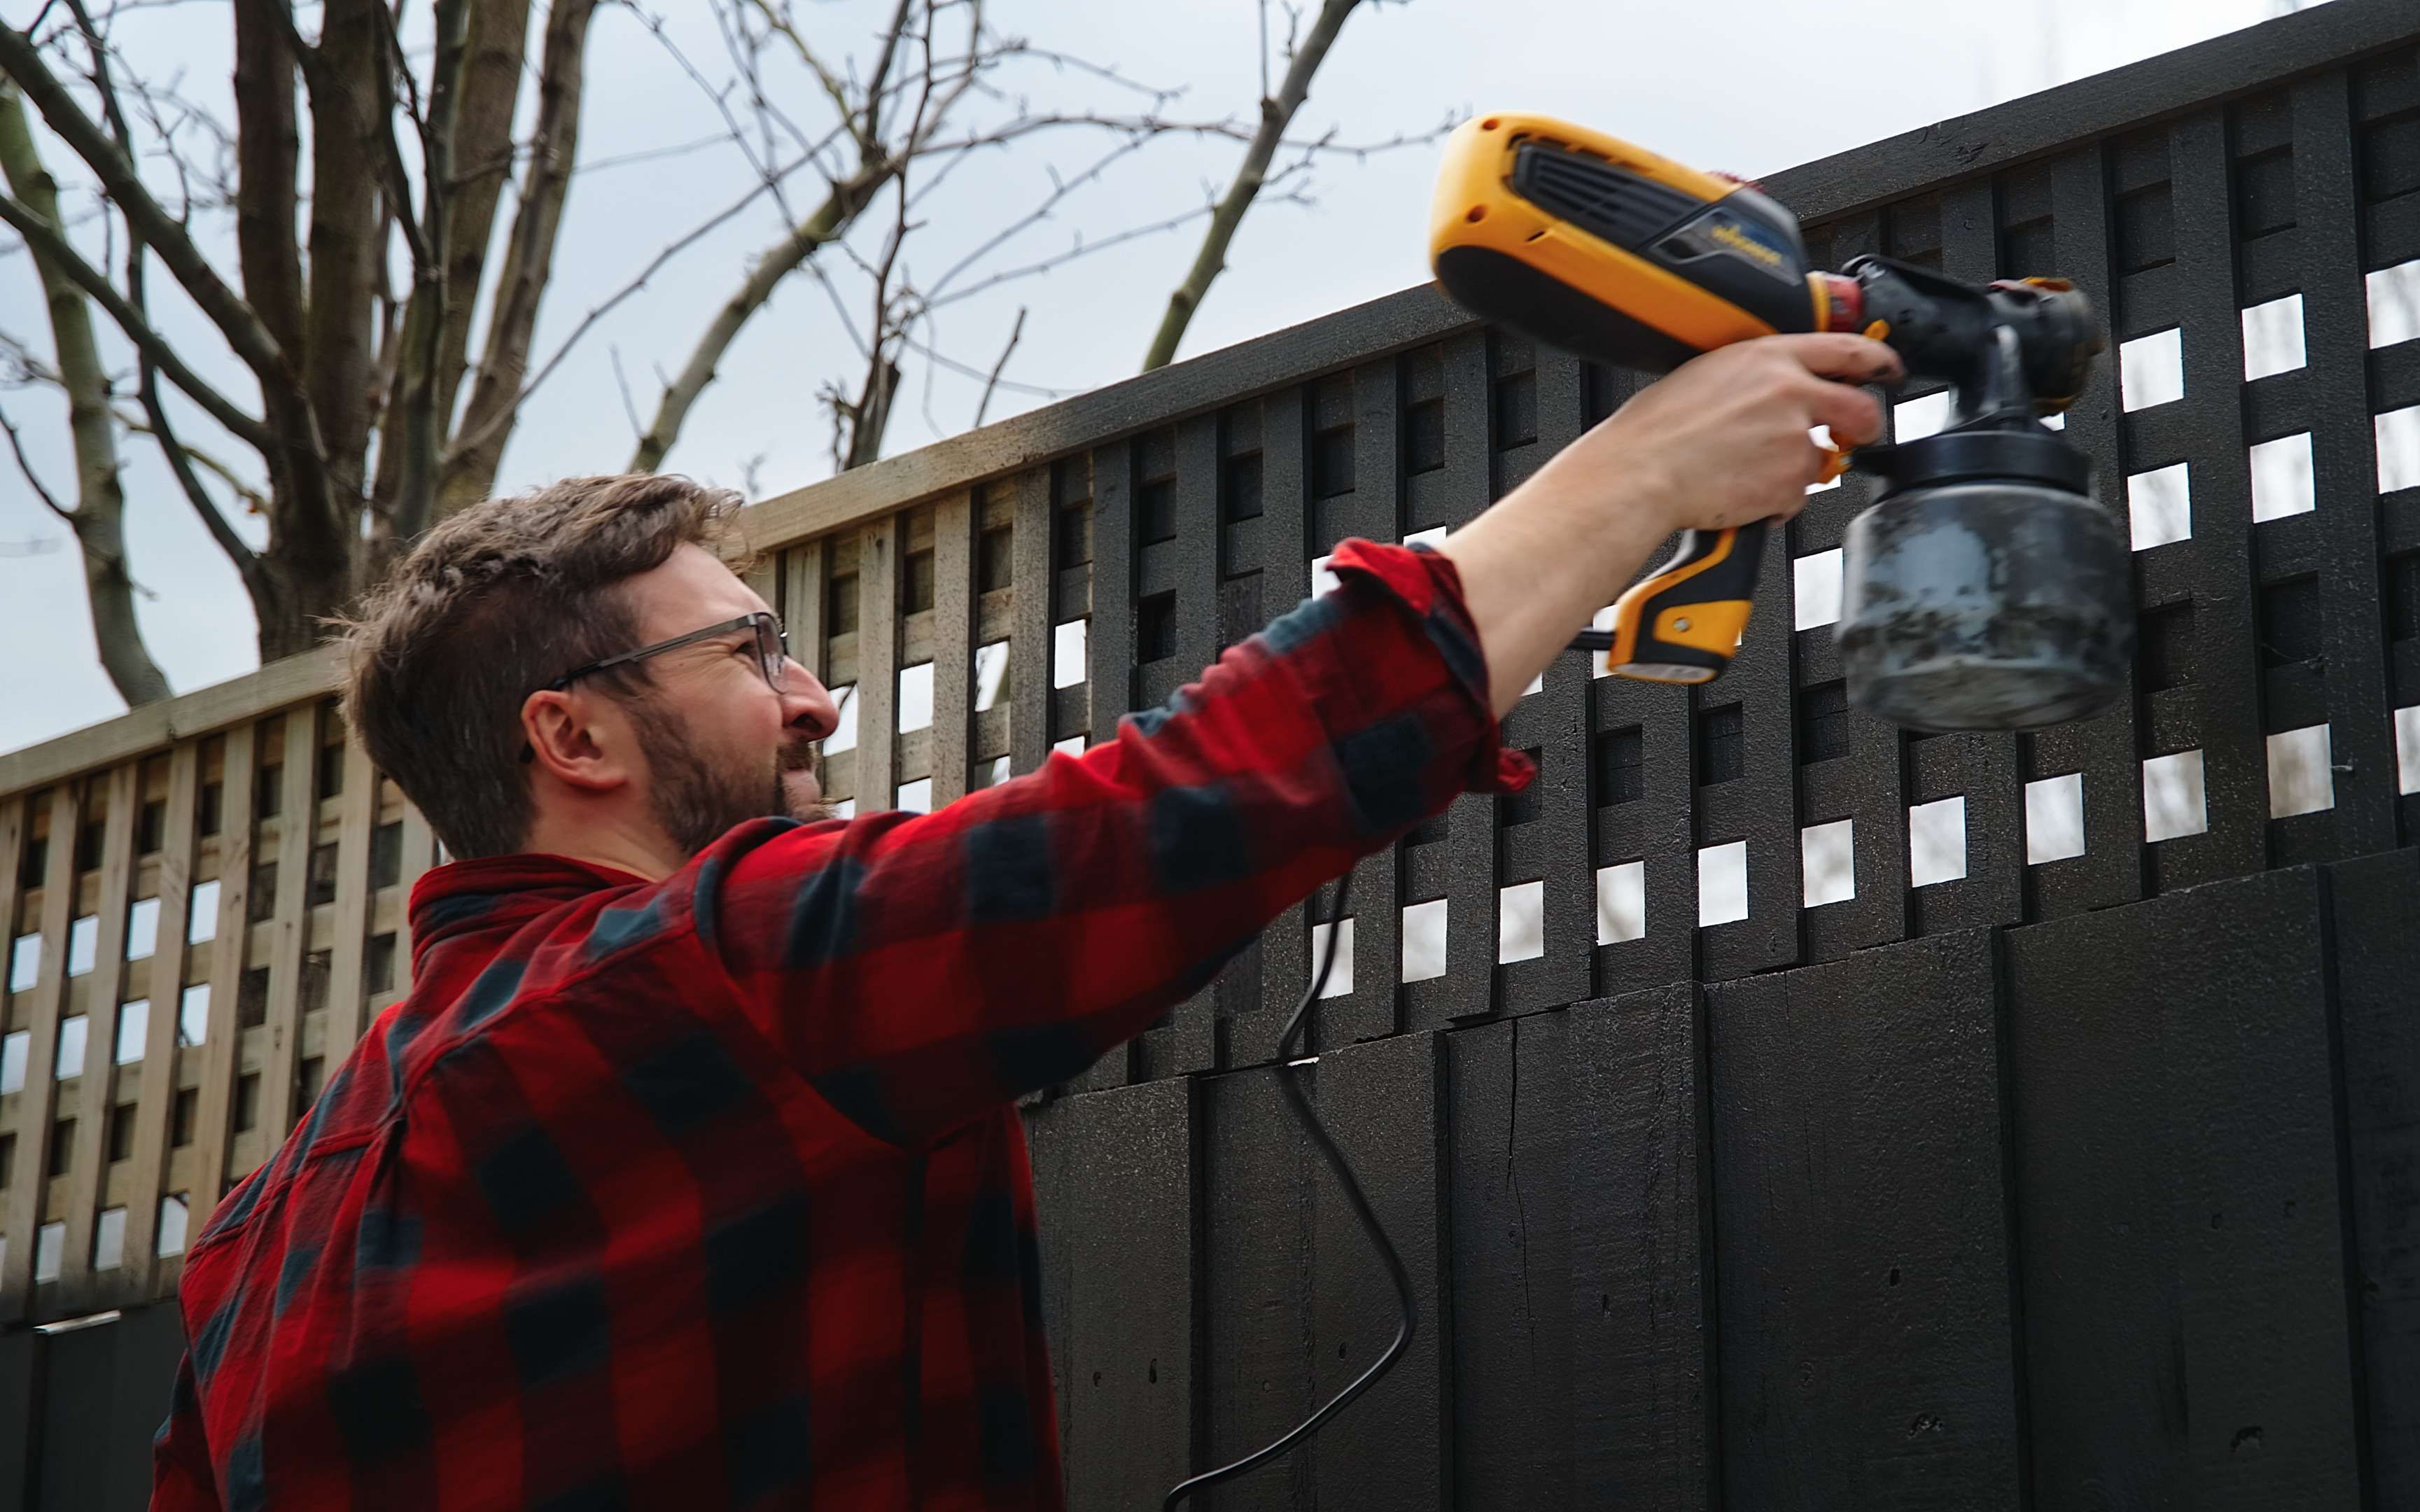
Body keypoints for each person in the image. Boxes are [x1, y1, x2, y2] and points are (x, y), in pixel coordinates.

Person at [146, 332, 1896, 1509]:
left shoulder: (260, 1229)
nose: (817, 700)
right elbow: (1155, 824)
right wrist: (1643, 475)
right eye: (753, 654)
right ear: (575, 736)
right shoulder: (690, 981)